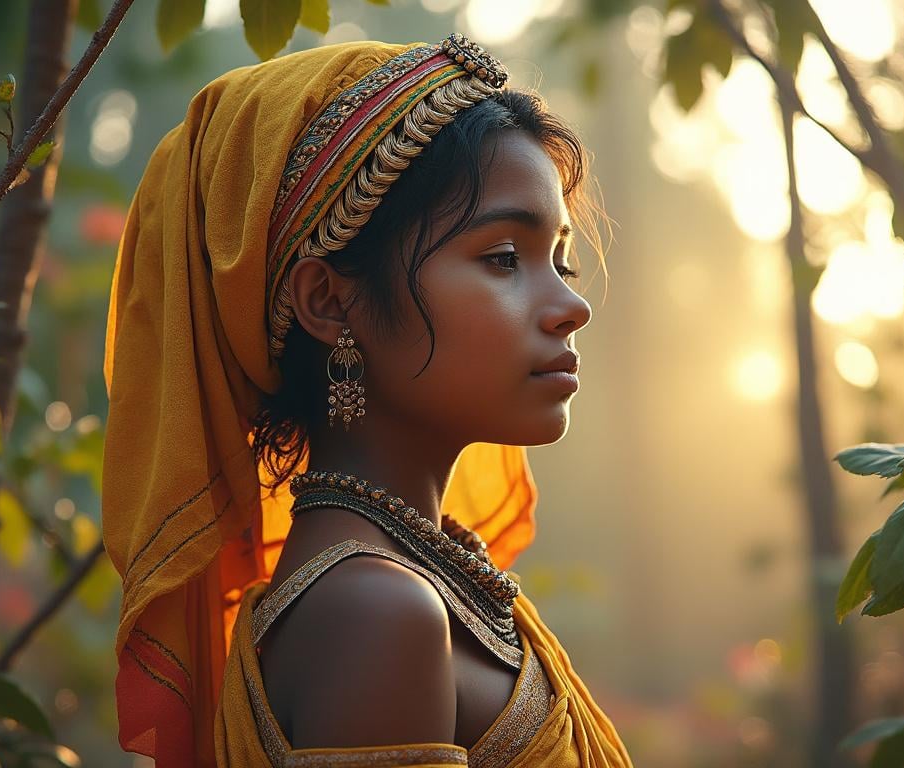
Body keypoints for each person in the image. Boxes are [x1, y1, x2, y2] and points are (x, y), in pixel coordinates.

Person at [102, 32, 633, 768]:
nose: (570, 306)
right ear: (329, 303)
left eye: (561, 260)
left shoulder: (409, 583)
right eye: (504, 258)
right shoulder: (376, 611)